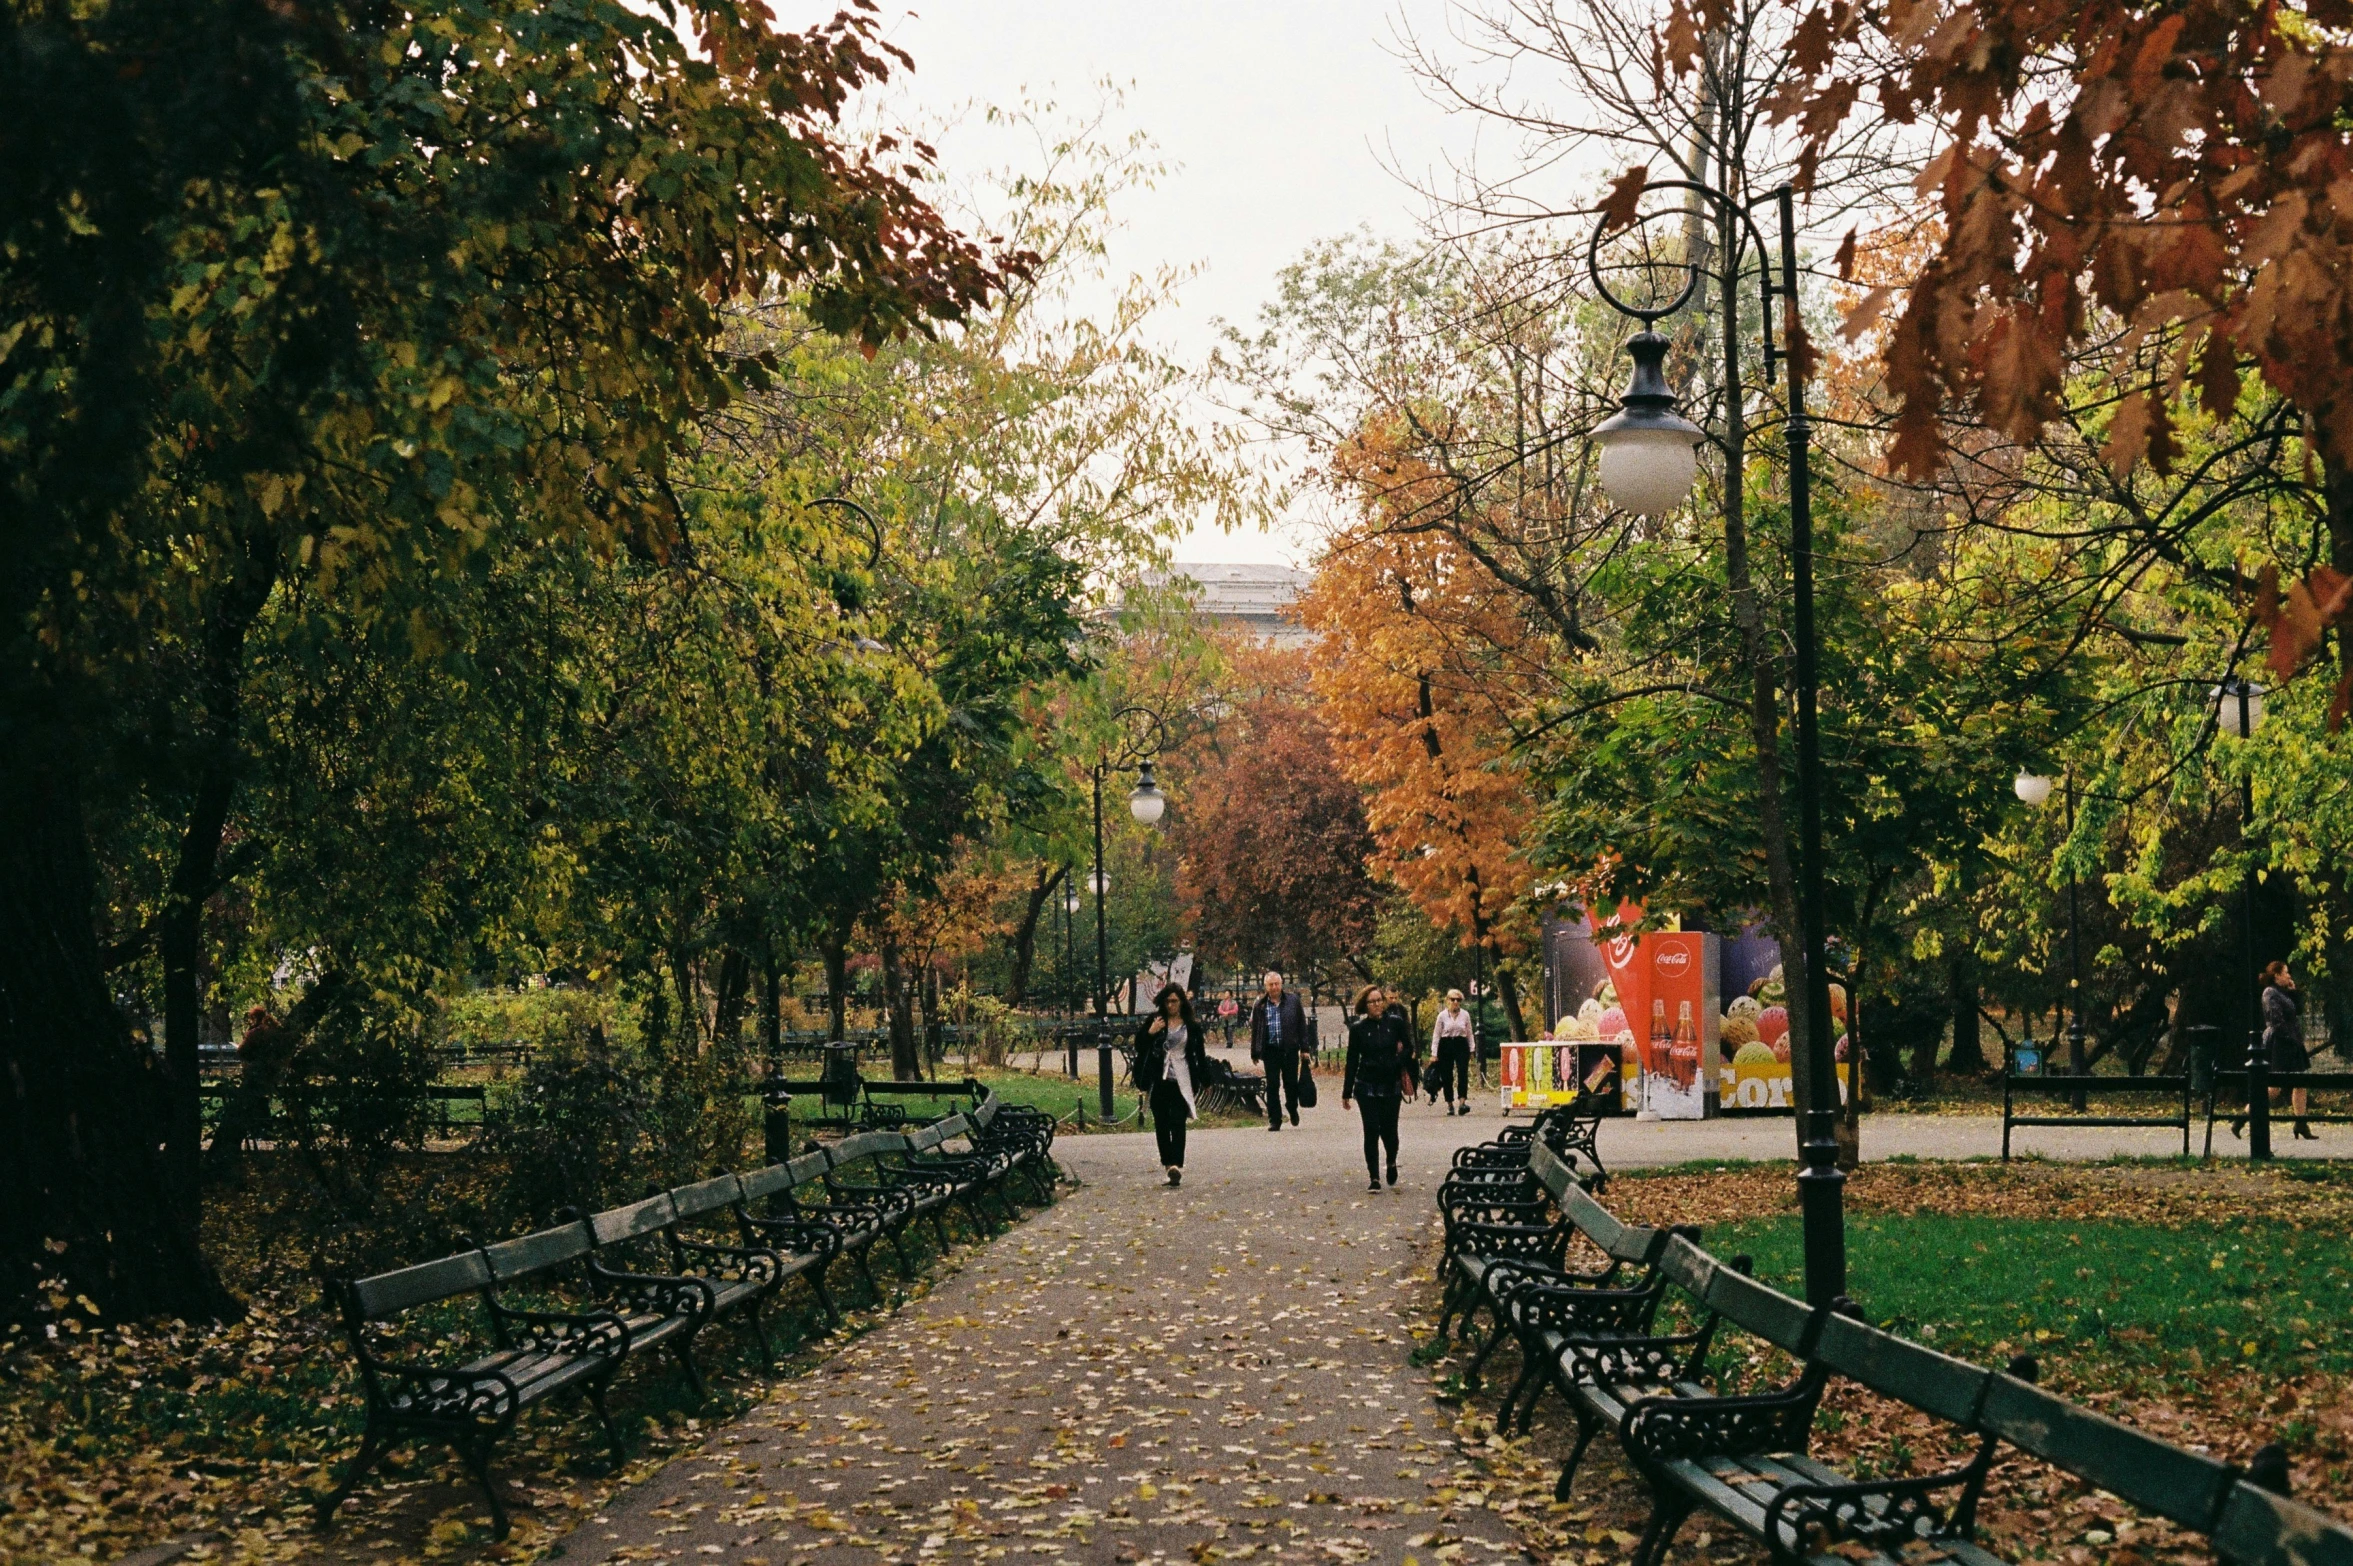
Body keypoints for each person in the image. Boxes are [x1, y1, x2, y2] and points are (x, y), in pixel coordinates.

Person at [1343, 983, 1418, 1192]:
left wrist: (1396, 1061)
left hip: (1390, 1083)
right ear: (1364, 1005)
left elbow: (1409, 1046)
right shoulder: (1358, 1029)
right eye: (1372, 1002)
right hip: (1366, 1084)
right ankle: (1374, 1176)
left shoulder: (1395, 1023)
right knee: (1371, 1129)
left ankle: (1391, 1161)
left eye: (1379, 1001)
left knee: (1389, 1129)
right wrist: (1346, 1091)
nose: (1376, 1005)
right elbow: (1351, 1060)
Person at [1135, 983, 1209, 1185]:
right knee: (1161, 1122)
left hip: (1181, 1079)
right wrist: (1151, 1032)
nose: (1171, 1005)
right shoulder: (1156, 1020)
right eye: (1167, 1001)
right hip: (1159, 1079)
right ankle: (1168, 1164)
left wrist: (1205, 1079)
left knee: (1177, 1120)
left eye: (1175, 1001)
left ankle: (1176, 1163)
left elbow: (1199, 1055)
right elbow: (1139, 1045)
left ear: (1182, 1002)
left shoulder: (1190, 1025)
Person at [1249, 970, 1311, 1132]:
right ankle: (1274, 1120)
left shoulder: (1293, 1001)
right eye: (1271, 984)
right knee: (1272, 1085)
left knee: (1290, 1084)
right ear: (1266, 986)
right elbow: (1256, 1029)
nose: (1274, 987)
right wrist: (1255, 1052)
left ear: (1281, 984)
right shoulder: (1260, 1005)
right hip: (1270, 1051)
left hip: (1289, 1049)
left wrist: (1305, 1048)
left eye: (1277, 984)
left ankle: (1292, 1107)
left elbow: (1302, 1026)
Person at [2265, 961, 2314, 1141]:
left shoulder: (2284, 993)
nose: (2289, 976)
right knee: (2274, 1088)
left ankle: (2300, 1123)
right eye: (2286, 973)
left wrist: (2294, 992)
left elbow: (2298, 1011)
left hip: (2293, 1042)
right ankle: (2243, 1117)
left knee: (2300, 1082)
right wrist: (2289, 1038)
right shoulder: (2270, 993)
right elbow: (2276, 1020)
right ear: (2276, 975)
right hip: (2281, 1043)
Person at [1429, 989, 1475, 1115]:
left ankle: (1462, 1102)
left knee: (1462, 1072)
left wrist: (1472, 1049)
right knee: (1447, 1075)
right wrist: (1434, 1053)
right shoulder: (1442, 1016)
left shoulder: (1465, 1015)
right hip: (1446, 1044)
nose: (1455, 1002)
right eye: (1453, 999)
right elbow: (1436, 1035)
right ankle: (1449, 1103)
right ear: (1447, 1000)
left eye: (1458, 1000)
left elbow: (1469, 1033)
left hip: (1460, 1044)